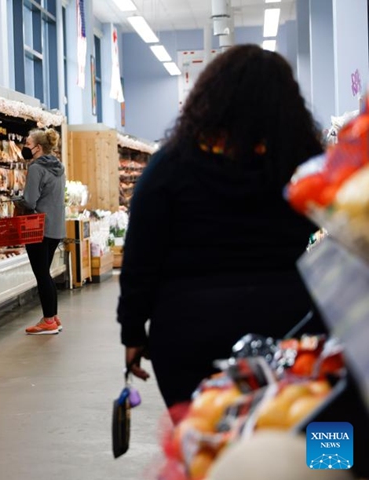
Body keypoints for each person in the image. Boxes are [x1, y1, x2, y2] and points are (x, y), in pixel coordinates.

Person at [117, 45, 324, 412]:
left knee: (207, 448)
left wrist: (133, 331)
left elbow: (140, 257)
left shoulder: (169, 165)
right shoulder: (304, 163)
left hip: (189, 335)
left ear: (209, 97)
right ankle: (327, 465)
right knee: (310, 439)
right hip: (292, 327)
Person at [18, 128, 67, 335]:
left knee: (42, 274)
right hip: (56, 227)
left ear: (38, 147)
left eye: (28, 144)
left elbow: (29, 200)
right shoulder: (59, 166)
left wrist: (17, 201)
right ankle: (53, 317)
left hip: (38, 227)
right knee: (44, 273)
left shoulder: (37, 168)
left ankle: (48, 320)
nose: (26, 148)